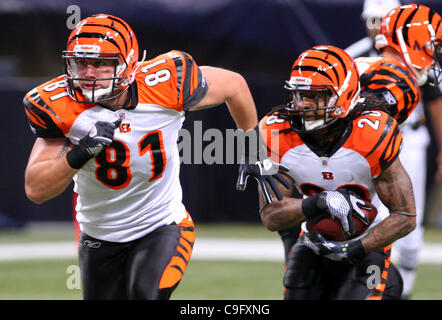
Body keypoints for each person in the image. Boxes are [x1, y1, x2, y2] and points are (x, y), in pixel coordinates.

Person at [23, 13, 265, 300]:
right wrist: (80, 152)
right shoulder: (60, 106)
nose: (88, 73)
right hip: (99, 236)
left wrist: (252, 148)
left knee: (144, 294)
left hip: (161, 225)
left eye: (101, 63)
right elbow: (36, 189)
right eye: (81, 62)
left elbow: (234, 85)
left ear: (129, 63)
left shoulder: (166, 83)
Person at [256, 45, 416, 300]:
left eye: (315, 96)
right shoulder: (277, 132)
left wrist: (352, 249)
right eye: (299, 94)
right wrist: (319, 202)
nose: (303, 104)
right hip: (313, 240)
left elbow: (406, 216)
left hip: (368, 245)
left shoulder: (372, 134)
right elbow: (271, 216)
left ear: (344, 96)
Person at [347, 3, 442, 299]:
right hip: (366, 148)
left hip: (399, 140)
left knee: (399, 224)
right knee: (381, 221)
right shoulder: (358, 60)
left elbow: (436, 104)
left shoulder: (404, 67)